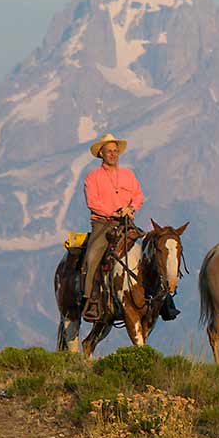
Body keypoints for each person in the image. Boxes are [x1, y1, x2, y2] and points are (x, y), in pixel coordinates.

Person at [81, 133, 145, 321]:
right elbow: (93, 202)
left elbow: (138, 196)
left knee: (152, 252)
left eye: (115, 151)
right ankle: (91, 299)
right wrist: (113, 212)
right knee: (92, 256)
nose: (113, 154)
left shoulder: (128, 175)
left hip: (126, 223)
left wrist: (131, 208)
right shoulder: (92, 178)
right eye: (109, 151)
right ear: (101, 153)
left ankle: (162, 300)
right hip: (103, 224)